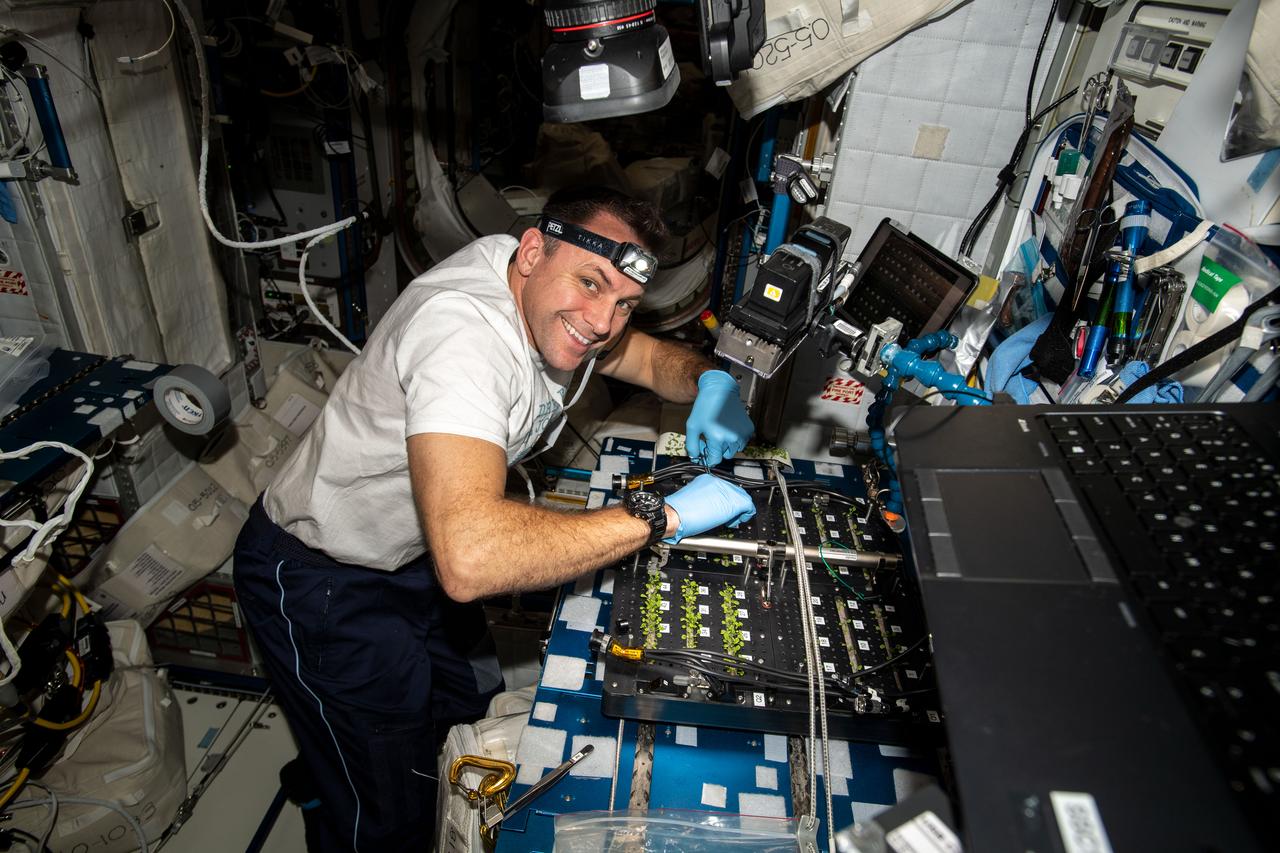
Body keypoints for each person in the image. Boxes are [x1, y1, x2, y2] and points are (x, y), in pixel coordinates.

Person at [232, 186, 758, 851]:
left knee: (463, 714)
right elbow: (472, 558)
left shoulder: (542, 290)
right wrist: (662, 515)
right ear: (534, 251)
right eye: (591, 284)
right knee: (384, 806)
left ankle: (330, 758)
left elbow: (649, 358)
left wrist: (711, 381)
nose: (602, 321)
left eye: (624, 303)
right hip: (325, 582)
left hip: (413, 558)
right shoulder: (462, 335)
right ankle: (334, 790)